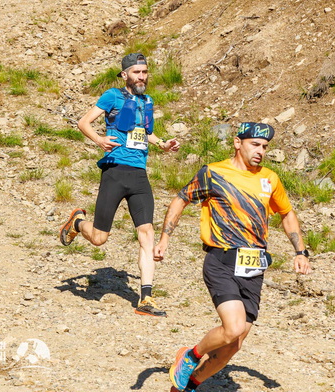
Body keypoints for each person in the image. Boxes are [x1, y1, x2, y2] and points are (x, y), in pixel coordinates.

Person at [153, 122, 312, 391]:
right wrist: (165, 238)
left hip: (254, 267)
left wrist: (300, 252)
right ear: (238, 143)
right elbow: (181, 198)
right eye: (255, 144)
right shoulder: (213, 173)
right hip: (222, 261)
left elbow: (286, 213)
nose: (260, 151)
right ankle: (190, 355)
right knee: (233, 328)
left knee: (233, 345)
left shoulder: (270, 178)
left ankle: (187, 386)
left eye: (265, 147)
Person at [59, 53, 180, 317]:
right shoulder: (112, 96)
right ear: (125, 75)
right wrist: (99, 140)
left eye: (144, 72)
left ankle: (145, 299)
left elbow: (146, 132)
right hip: (114, 171)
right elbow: (83, 122)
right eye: (137, 72)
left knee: (146, 233)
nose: (142, 77)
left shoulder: (147, 101)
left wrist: (163, 144)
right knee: (99, 239)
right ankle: (78, 223)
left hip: (139, 175)